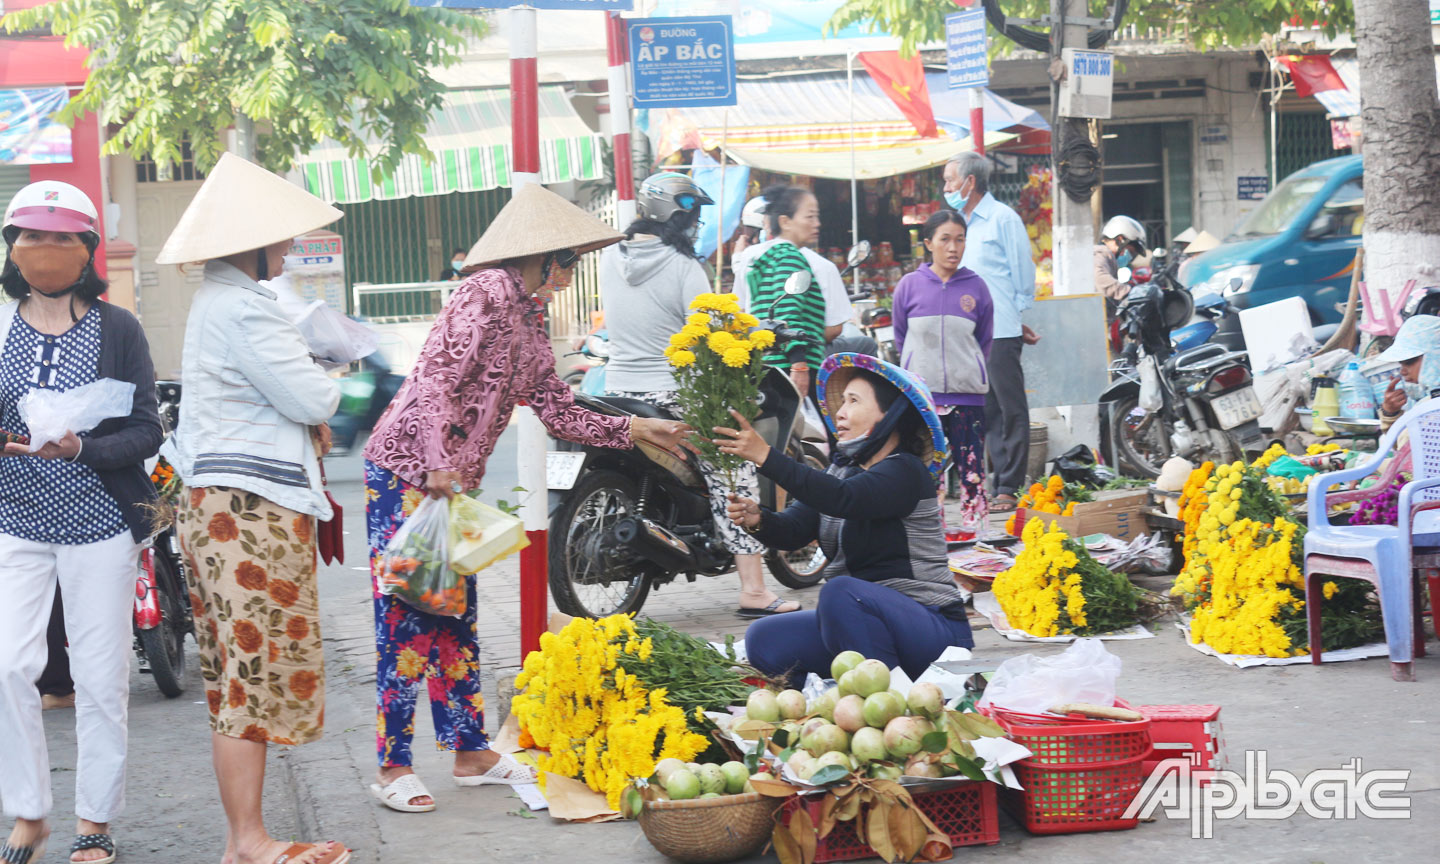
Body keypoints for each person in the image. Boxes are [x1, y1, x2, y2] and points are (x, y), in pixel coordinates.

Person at [362, 183, 694, 814]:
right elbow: (435, 378)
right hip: (407, 469)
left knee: (454, 613)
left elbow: (557, 408)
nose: (569, 275)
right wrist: (435, 462)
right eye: (567, 262)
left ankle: (469, 750)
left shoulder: (530, 317)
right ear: (539, 256)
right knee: (408, 617)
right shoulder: (481, 294)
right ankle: (392, 765)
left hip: (447, 482)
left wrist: (634, 429)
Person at [158, 153, 351, 864]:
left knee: (240, 675)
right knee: (250, 675)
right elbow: (314, 399)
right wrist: (324, 379)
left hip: (228, 508)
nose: (289, 249)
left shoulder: (226, 300)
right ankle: (248, 841)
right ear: (253, 242)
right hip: (248, 512)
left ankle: (250, 836)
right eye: (281, 236)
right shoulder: (241, 305)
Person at [0, 180, 164, 864]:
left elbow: (147, 430)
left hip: (100, 525)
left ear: (87, 249)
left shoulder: (117, 328)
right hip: (16, 521)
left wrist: (83, 449)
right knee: (9, 665)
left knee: (99, 678)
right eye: (32, 236)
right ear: (12, 246)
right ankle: (29, 811)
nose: (46, 250)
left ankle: (93, 823)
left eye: (62, 238)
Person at [600, 173, 798, 618]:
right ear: (677, 213)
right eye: (693, 214)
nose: (696, 224)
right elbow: (713, 329)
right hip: (670, 393)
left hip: (615, 390)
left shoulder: (610, 256)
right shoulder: (685, 266)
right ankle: (752, 589)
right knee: (734, 461)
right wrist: (757, 334)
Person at [716, 354, 974, 686]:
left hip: (931, 627)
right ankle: (824, 700)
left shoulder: (905, 471)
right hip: (859, 620)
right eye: (842, 401)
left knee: (841, 593)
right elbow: (795, 531)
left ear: (889, 415)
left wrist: (766, 456)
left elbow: (843, 498)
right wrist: (758, 519)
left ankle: (892, 701)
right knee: (764, 637)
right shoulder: (843, 472)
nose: (839, 412)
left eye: (853, 401)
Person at [944, 151, 1038, 512]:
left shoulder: (1002, 219)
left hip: (999, 329)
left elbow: (1021, 273)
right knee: (985, 411)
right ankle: (994, 482)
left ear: (970, 182)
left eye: (951, 180)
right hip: (968, 332)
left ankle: (1008, 486)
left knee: (1010, 407)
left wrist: (1014, 316)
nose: (946, 187)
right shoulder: (958, 225)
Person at [892, 210, 994, 536]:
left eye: (960, 239)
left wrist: (969, 369)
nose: (953, 247)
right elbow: (900, 335)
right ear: (928, 243)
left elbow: (985, 341)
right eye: (945, 239)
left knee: (973, 470)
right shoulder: (909, 286)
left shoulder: (977, 287)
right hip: (922, 398)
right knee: (925, 470)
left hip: (968, 396)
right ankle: (928, 538)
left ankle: (976, 537)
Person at [727, 186, 828, 398]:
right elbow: (787, 313)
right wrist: (799, 364)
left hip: (769, 365)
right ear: (785, 222)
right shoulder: (790, 257)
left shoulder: (764, 258)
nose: (817, 224)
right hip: (791, 369)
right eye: (810, 217)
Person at [1376, 314, 1440, 431]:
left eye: (1409, 361)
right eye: (1402, 363)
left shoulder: (1431, 405)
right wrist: (1390, 412)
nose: (1403, 371)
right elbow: (1402, 445)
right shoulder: (1420, 399)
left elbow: (1405, 442)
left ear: (1435, 357)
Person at [1094, 215, 1147, 309]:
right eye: (1130, 252)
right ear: (1119, 240)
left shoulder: (1109, 260)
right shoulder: (1100, 253)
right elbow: (1099, 278)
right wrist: (1128, 292)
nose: (1129, 257)